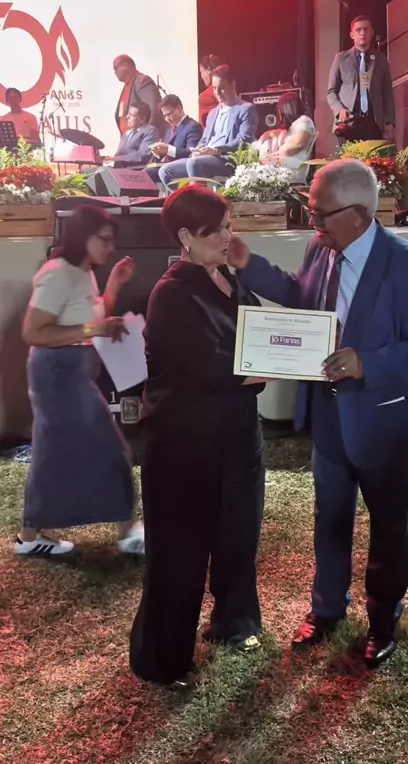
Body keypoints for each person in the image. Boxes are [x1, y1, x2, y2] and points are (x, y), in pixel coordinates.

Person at [228, 159, 408, 668]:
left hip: (387, 421)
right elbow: (301, 297)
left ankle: (383, 620)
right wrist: (248, 263)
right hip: (329, 417)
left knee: (388, 527)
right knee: (330, 520)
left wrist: (366, 363)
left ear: (359, 214)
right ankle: (326, 609)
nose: (313, 221)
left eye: (320, 213)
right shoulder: (320, 249)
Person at [130, 184, 266, 688]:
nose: (228, 237)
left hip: (237, 434)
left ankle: (235, 622)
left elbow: (260, 332)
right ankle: (163, 659)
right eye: (217, 231)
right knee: (179, 553)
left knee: (239, 534)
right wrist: (270, 368)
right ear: (186, 236)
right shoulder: (171, 293)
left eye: (229, 227)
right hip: (185, 443)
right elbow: (212, 366)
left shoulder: (228, 277)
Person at [15, 205, 145, 557]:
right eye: (105, 240)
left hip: (72, 372)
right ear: (82, 236)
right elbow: (33, 332)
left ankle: (30, 535)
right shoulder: (58, 273)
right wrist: (92, 329)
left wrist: (114, 285)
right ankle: (128, 529)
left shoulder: (82, 271)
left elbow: (91, 317)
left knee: (54, 452)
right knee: (107, 447)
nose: (110, 247)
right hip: (57, 374)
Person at [158, 65, 258, 194]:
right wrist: (198, 150)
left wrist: (216, 150)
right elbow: (204, 140)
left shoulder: (245, 109)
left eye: (221, 88)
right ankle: (184, 201)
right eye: (214, 88)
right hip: (205, 157)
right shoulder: (213, 113)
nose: (217, 92)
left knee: (194, 163)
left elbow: (244, 140)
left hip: (226, 159)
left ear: (232, 85)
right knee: (166, 171)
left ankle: (198, 203)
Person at [327, 15, 395, 145]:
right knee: (348, 158)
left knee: (373, 158)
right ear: (352, 35)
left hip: (373, 123)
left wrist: (390, 122)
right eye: (358, 30)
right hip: (348, 123)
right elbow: (331, 91)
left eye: (365, 29)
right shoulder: (341, 59)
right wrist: (339, 110)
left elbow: (388, 94)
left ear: (372, 33)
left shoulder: (380, 59)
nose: (362, 33)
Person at [257, 91, 316, 184]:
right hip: (285, 166)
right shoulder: (293, 126)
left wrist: (271, 156)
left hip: (293, 168)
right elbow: (274, 134)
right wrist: (267, 135)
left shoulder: (304, 121)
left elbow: (297, 145)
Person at [113, 54, 165, 138]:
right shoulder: (127, 86)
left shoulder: (142, 81)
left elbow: (153, 110)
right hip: (129, 140)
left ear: (125, 65)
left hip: (143, 140)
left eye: (115, 68)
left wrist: (145, 137)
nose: (115, 72)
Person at [148, 94, 202, 169]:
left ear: (179, 109)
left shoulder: (193, 126)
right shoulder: (169, 130)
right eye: (164, 116)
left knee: (146, 173)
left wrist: (168, 149)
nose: (167, 119)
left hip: (179, 167)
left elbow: (192, 153)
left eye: (169, 114)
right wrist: (158, 151)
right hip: (163, 165)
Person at [112, 103, 158, 168]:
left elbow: (143, 155)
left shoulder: (150, 131)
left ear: (143, 119)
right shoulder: (128, 132)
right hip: (119, 166)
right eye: (128, 114)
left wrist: (118, 158)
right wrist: (110, 159)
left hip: (134, 168)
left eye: (131, 115)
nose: (127, 117)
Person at [199, 53, 221, 127]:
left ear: (208, 70)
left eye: (201, 72)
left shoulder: (206, 95)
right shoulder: (224, 90)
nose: (202, 77)